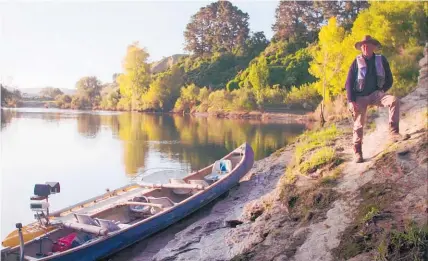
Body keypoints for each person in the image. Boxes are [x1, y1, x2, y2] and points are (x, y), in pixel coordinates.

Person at [345, 35, 409, 163]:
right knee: (358, 124)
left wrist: (382, 91)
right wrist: (351, 101)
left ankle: (394, 133)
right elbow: (348, 82)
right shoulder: (356, 62)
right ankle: (358, 152)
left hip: (376, 94)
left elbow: (389, 79)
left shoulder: (381, 59)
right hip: (360, 97)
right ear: (361, 48)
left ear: (373, 46)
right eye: (363, 45)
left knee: (393, 101)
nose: (365, 47)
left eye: (368, 44)